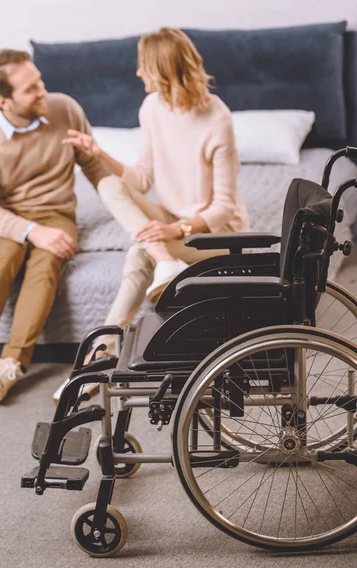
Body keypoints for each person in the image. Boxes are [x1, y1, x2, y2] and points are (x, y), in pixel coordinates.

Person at [53, 27, 249, 402]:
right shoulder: (153, 108)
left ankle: (96, 359)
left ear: (162, 70)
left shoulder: (217, 118)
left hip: (216, 236)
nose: (138, 74)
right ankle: (164, 262)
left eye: (143, 67)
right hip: (172, 225)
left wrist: (174, 227)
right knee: (110, 185)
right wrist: (98, 152)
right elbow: (140, 179)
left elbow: (223, 207)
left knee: (138, 251)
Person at [0, 49, 112, 408]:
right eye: (31, 89)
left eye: (40, 81)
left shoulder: (65, 109)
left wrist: (134, 210)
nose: (43, 91)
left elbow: (94, 167)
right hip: (4, 216)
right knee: (6, 258)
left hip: (56, 213)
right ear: (3, 101)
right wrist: (31, 231)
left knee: (46, 263)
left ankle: (11, 362)